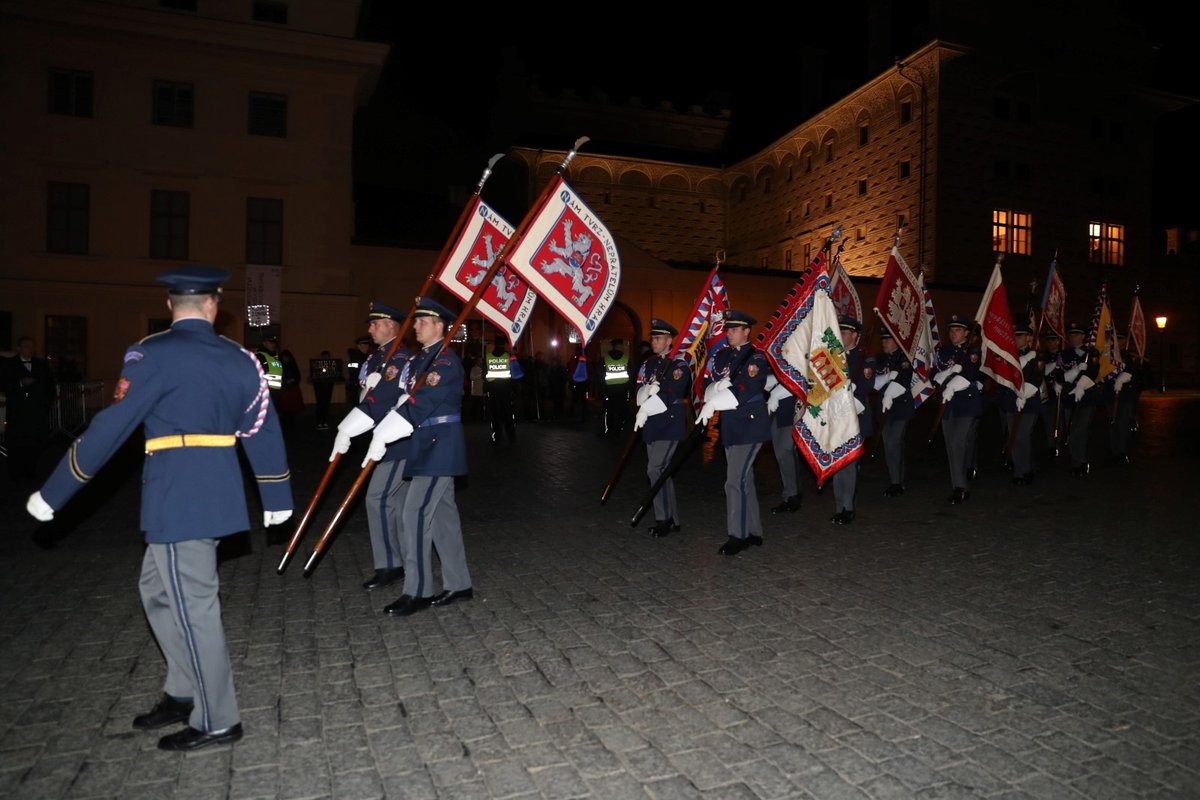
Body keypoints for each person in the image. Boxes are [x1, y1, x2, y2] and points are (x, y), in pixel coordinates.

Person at [25, 266, 293, 751]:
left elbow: (111, 426)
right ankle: (182, 689)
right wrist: (275, 497)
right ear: (214, 305)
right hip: (218, 491)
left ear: (171, 307)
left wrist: (55, 492)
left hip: (177, 495)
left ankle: (217, 719)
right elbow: (261, 426)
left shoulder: (152, 353)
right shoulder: (243, 360)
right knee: (156, 587)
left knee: (194, 609)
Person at [365, 297, 472, 617]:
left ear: (440, 326)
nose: (415, 327)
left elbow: (421, 402)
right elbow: (402, 396)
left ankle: (419, 589)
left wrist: (386, 432)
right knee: (443, 518)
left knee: (413, 515)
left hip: (438, 447)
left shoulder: (444, 363)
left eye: (422, 322)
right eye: (416, 321)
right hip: (423, 444)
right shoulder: (422, 360)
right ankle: (459, 583)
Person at [329, 302, 412, 591]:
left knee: (377, 499)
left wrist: (349, 428)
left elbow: (384, 398)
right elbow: (366, 394)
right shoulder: (378, 356)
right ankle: (407, 561)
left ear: (391, 325)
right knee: (398, 506)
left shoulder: (399, 356)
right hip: (381, 436)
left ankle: (390, 565)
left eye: (375, 324)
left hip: (397, 442)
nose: (369, 329)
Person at [699, 310, 771, 555]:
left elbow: (748, 387)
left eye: (734, 329)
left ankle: (737, 535)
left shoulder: (757, 358)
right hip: (731, 426)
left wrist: (716, 401)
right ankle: (754, 531)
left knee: (733, 481)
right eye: (728, 329)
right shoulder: (721, 356)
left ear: (747, 331)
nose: (728, 333)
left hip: (750, 425)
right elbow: (708, 381)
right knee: (744, 480)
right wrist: (713, 391)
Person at [632, 318, 691, 537]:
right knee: (661, 472)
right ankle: (674, 519)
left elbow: (673, 393)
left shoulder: (679, 364)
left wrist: (650, 404)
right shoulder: (648, 364)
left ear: (669, 340)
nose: (653, 341)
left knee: (654, 469)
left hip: (669, 422)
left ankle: (662, 518)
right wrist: (644, 394)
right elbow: (638, 386)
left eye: (658, 338)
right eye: (652, 338)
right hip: (652, 425)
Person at [932, 314, 983, 504]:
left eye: (958, 330)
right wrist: (946, 375)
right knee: (951, 446)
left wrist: (952, 385)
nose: (954, 334)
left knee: (958, 443)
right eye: (952, 330)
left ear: (967, 333)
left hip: (966, 404)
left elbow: (970, 374)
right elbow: (933, 373)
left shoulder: (973, 351)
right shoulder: (943, 351)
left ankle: (961, 487)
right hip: (948, 405)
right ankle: (957, 485)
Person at [829, 316, 873, 524]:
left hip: (856, 416)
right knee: (838, 462)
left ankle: (848, 507)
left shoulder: (865, 359)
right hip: (837, 416)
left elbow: (867, 385)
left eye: (845, 333)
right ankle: (840, 505)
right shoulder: (833, 357)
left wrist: (853, 389)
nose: (842, 336)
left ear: (855, 335)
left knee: (849, 463)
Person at [2, 336, 54, 483]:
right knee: (17, 442)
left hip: (37, 411)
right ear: (18, 348)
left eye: (31, 346)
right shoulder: (9, 364)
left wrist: (45, 405)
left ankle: (31, 470)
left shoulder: (41, 364)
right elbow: (4, 383)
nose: (29, 349)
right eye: (26, 346)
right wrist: (20, 383)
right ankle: (15, 473)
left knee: (35, 442)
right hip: (18, 412)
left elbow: (50, 386)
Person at [1000, 323, 1044, 485]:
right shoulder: (1008, 355)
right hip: (1012, 401)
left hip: (1029, 402)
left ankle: (1026, 470)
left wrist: (1023, 395)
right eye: (1015, 336)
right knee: (1014, 436)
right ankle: (1019, 471)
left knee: (1022, 436)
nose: (1016, 339)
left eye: (1020, 336)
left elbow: (1037, 379)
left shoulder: (1036, 357)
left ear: (1028, 338)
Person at [874, 330, 914, 498]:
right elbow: (872, 381)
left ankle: (897, 483)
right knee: (888, 444)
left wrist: (891, 391)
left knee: (893, 441)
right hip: (883, 409)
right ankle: (895, 478)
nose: (884, 343)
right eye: (883, 340)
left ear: (897, 342)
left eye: (888, 340)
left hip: (900, 407)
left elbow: (904, 379)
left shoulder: (904, 358)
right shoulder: (879, 359)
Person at [1058, 322, 1101, 476]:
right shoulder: (1064, 354)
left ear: (1083, 337)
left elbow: (1094, 372)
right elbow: (1058, 374)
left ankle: (1082, 461)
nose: (1072, 337)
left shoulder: (1091, 353)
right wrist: (1072, 373)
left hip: (1086, 397)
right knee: (1070, 429)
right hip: (1069, 396)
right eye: (1071, 334)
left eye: (1076, 334)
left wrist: (1082, 384)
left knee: (1080, 430)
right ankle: (1075, 461)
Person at [766, 365, 802, 514]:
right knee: (781, 454)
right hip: (776, 411)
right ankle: (794, 491)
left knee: (784, 450)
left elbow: (800, 376)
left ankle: (792, 494)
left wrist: (777, 392)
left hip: (794, 408)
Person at [1108, 332, 1142, 463]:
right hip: (1110, 394)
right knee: (1112, 422)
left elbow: (1134, 370)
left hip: (1125, 395)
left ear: (1125, 341)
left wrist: (1124, 377)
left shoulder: (1129, 356)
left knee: (1122, 423)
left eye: (1120, 339)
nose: (1116, 341)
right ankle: (1114, 450)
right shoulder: (1108, 355)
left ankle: (1121, 452)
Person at [484, 334, 516, 445]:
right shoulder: (508, 356)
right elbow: (514, 373)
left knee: (495, 415)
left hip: (493, 390)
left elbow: (484, 374)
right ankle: (511, 437)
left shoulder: (488, 357)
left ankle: (496, 438)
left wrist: (487, 387)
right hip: (506, 390)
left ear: (495, 344)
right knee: (508, 414)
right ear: (504, 344)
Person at [600, 337, 631, 437]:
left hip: (609, 390)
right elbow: (632, 374)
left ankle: (609, 429)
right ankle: (619, 429)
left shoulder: (605, 359)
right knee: (621, 409)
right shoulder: (626, 359)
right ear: (620, 346)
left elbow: (600, 374)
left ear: (612, 347)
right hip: (622, 389)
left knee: (609, 410)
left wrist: (602, 389)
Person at [309, 349, 341, 431]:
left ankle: (324, 421)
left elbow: (335, 375)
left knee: (325, 405)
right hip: (319, 389)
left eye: (327, 357)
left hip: (327, 388)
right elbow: (313, 376)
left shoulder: (331, 367)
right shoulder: (317, 366)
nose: (326, 358)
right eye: (325, 357)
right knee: (320, 405)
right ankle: (319, 422)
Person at [275, 349, 304, 432]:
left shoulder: (293, 365)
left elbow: (297, 376)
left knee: (292, 410)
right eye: (284, 358)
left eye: (287, 358)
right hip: (284, 390)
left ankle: (291, 426)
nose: (286, 359)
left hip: (293, 390)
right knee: (284, 410)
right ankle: (285, 427)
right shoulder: (279, 366)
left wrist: (292, 380)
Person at [255, 334, 283, 407]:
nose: (273, 345)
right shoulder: (260, 356)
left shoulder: (273, 358)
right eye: (271, 342)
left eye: (274, 343)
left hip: (275, 395)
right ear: (264, 343)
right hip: (265, 394)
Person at [345, 335, 373, 408]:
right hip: (356, 386)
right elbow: (353, 371)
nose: (366, 347)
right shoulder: (355, 357)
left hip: (361, 386)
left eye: (367, 345)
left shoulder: (365, 357)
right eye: (364, 345)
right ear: (359, 346)